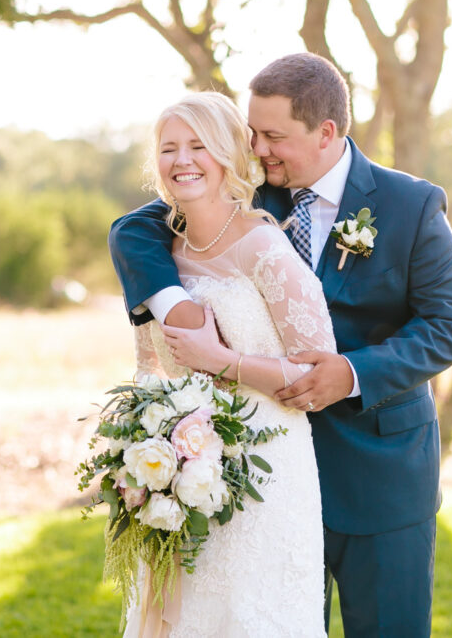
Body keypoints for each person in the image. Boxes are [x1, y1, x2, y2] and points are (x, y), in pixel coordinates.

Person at [110, 53, 452, 637]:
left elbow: (448, 325)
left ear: (326, 132)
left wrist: (351, 373)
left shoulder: (411, 205)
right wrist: (176, 305)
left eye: (273, 135)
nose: (258, 147)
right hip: (256, 471)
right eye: (252, 133)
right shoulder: (250, 189)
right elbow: (132, 228)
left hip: (378, 472)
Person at [119, 91, 332, 637]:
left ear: (229, 156)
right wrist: (145, 453)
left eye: (199, 146)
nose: (183, 160)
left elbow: (317, 375)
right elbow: (154, 372)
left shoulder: (263, 246)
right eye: (169, 149)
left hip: (270, 470)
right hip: (186, 477)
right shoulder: (162, 255)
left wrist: (223, 360)